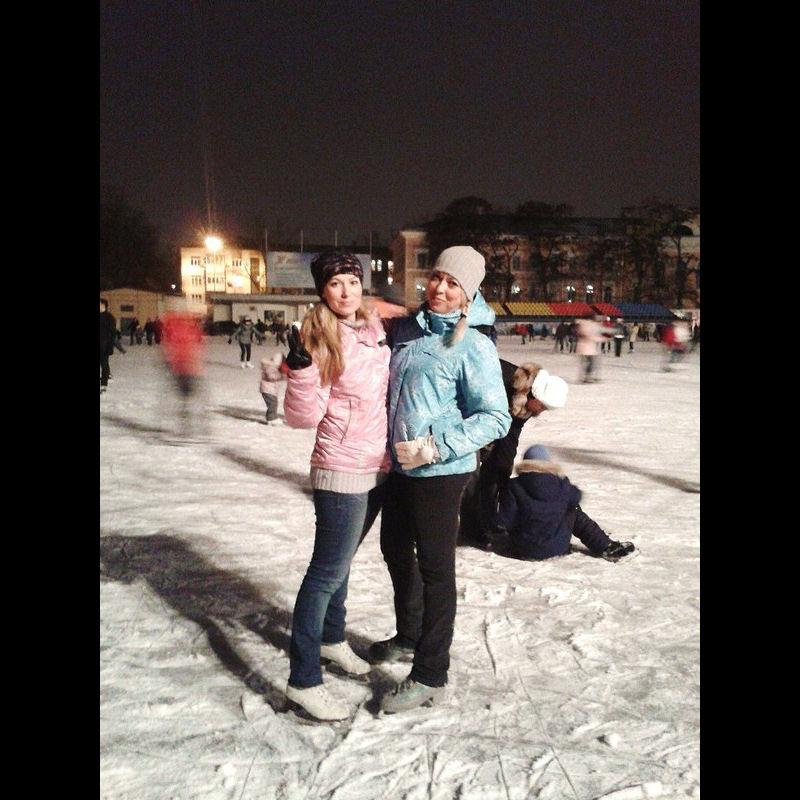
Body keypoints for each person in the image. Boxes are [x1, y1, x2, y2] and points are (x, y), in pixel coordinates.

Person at [371, 245, 511, 714]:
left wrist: (436, 446)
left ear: (468, 294)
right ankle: (409, 635)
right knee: (394, 549)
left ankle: (431, 672)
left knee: (435, 568)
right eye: (437, 277)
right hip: (400, 466)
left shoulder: (475, 345)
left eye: (453, 284)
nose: (441, 289)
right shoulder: (410, 330)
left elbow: (496, 417)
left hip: (440, 471)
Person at [282, 249, 391, 722]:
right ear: (322, 291)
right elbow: (303, 416)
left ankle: (331, 639)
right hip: (341, 467)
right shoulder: (319, 335)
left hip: (375, 463)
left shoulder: (372, 328)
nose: (346, 292)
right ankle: (303, 681)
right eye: (335, 284)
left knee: (341, 564)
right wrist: (302, 370)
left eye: (352, 281)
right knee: (325, 574)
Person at [459, 360, 568, 550]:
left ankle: (489, 521)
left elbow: (511, 433)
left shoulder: (525, 404)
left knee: (497, 472)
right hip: (464, 420)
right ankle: (471, 530)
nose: (541, 412)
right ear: (534, 394)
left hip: (483, 428)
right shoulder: (502, 380)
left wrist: (503, 467)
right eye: (542, 407)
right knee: (470, 473)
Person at [492, 444, 635, 562]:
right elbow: (577, 496)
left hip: (523, 550)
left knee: (561, 509)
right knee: (574, 512)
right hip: (558, 548)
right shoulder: (561, 485)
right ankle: (604, 545)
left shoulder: (514, 486)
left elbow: (505, 519)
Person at [161, 310, 206, 438]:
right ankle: (190, 428)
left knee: (187, 400)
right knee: (192, 400)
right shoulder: (189, 331)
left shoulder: (176, 332)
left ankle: (188, 428)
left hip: (184, 370)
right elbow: (197, 346)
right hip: (188, 370)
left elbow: (169, 349)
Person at [259, 352, 286, 424]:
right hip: (267, 390)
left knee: (274, 403)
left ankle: (273, 417)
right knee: (272, 404)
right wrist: (281, 376)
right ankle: (271, 418)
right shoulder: (270, 367)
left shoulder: (273, 367)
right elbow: (271, 377)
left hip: (270, 390)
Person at [576, 314, 604, 383]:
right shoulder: (588, 325)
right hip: (588, 349)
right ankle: (586, 378)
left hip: (584, 348)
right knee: (590, 364)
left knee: (587, 363)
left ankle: (584, 377)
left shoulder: (582, 324)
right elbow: (589, 336)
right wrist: (601, 339)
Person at [100, 298, 117, 394]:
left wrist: (109, 346)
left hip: (104, 346)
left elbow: (112, 333)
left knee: (104, 365)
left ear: (104, 305)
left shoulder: (110, 317)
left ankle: (103, 384)